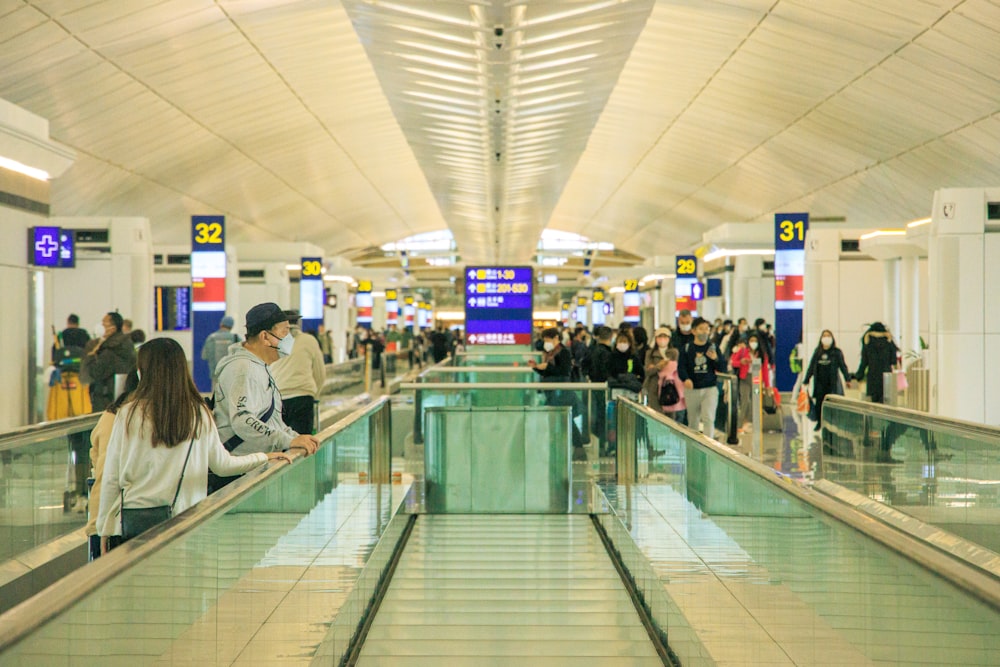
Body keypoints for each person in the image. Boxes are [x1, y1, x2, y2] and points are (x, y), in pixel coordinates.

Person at [96, 338, 292, 554]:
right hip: (185, 519)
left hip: (133, 522)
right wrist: (263, 457)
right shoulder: (198, 413)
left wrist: (103, 528)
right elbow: (223, 465)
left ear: (144, 371)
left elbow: (111, 477)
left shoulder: (127, 414)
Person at [211, 303, 319, 491]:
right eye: (285, 332)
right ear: (265, 336)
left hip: (253, 465)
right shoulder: (243, 369)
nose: (289, 338)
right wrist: (287, 441)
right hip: (238, 471)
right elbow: (243, 419)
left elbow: (272, 418)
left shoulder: (260, 367)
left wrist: (296, 437)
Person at [86, 370, 139, 560]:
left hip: (104, 516)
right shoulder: (128, 418)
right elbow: (108, 475)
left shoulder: (110, 415)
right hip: (116, 520)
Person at [528, 327, 587, 457]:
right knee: (560, 419)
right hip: (553, 391)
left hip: (561, 391)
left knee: (565, 419)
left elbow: (564, 371)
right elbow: (549, 372)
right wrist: (537, 368)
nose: (546, 342)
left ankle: (578, 447)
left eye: (548, 339)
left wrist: (547, 367)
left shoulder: (563, 352)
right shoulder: (550, 353)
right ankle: (568, 446)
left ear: (556, 338)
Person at [270, 311, 326, 435]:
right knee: (302, 444)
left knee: (280, 443)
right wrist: (314, 394)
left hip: (277, 399)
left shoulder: (272, 341)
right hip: (303, 398)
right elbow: (320, 373)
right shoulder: (309, 340)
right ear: (298, 323)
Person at [678, 317, 727, 439]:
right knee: (693, 421)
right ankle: (693, 446)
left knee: (709, 419)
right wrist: (686, 379)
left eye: (707, 329)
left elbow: (722, 368)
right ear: (694, 331)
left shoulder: (713, 347)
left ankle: (709, 446)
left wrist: (716, 358)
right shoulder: (687, 348)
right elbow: (681, 367)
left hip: (709, 388)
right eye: (701, 329)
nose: (705, 332)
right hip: (692, 389)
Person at [82, 311, 137, 412]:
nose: (101, 325)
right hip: (122, 399)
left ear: (113, 328)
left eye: (104, 323)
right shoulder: (126, 344)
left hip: (106, 401)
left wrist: (91, 355)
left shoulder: (110, 351)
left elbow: (94, 372)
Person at [803, 330, 852, 431]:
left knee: (832, 404)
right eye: (824, 336)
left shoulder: (836, 352)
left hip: (832, 382)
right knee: (820, 403)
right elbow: (811, 367)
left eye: (828, 335)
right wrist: (806, 379)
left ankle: (832, 423)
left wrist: (847, 379)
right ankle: (820, 422)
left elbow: (843, 366)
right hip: (820, 382)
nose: (826, 337)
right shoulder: (817, 352)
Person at [730, 331, 772, 433]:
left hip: (756, 380)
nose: (753, 343)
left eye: (755, 341)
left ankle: (752, 423)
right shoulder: (743, 351)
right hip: (745, 378)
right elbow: (733, 362)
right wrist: (741, 362)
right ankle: (739, 425)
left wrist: (767, 385)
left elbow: (765, 371)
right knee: (745, 400)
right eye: (751, 340)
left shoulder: (762, 354)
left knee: (755, 400)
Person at [854, 322, 898, 404]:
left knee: (874, 403)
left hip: (872, 377)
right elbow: (893, 360)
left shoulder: (868, 341)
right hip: (886, 377)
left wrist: (859, 376)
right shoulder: (888, 342)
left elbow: (864, 362)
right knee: (886, 403)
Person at [201, 315, 239, 390]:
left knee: (216, 397)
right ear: (231, 326)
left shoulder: (211, 338)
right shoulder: (236, 338)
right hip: (231, 374)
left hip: (215, 373)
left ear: (221, 324)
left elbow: (204, 356)